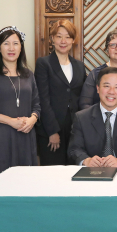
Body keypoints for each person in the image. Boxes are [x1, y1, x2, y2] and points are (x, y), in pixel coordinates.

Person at [0, 26, 40, 183]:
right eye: (6, 43)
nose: (11, 48)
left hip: (25, 138)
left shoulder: (28, 75)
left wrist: (32, 119)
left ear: (21, 47)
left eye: (15, 43)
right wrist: (11, 121)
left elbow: (37, 104)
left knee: (25, 185)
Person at [68, 67, 117, 167]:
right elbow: (74, 149)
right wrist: (86, 160)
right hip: (92, 172)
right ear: (98, 88)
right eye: (106, 86)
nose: (111, 92)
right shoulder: (81, 118)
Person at [34, 20, 86, 165]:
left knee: (74, 172)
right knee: (53, 175)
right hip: (51, 129)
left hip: (74, 129)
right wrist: (52, 131)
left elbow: (82, 98)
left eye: (68, 37)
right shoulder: (44, 64)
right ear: (52, 39)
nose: (63, 41)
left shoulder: (79, 66)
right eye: (59, 36)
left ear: (73, 40)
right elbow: (42, 99)